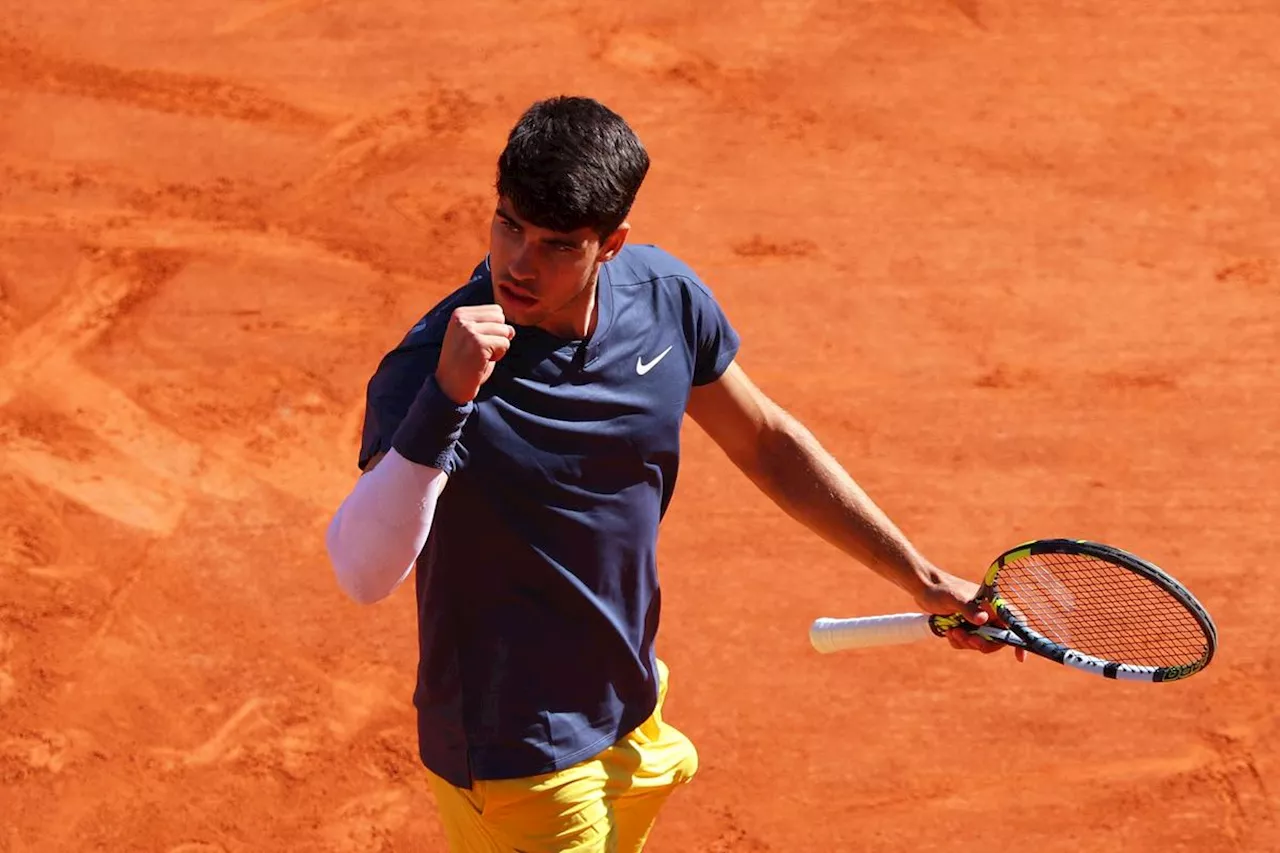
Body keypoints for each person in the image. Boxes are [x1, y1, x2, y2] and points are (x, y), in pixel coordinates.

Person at [324, 95, 1019, 853]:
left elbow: (768, 444)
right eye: (509, 225)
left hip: (631, 708)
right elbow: (362, 572)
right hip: (516, 754)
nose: (519, 263)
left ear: (612, 243)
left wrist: (920, 576)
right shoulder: (431, 367)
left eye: (558, 245)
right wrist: (447, 400)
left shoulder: (663, 302)